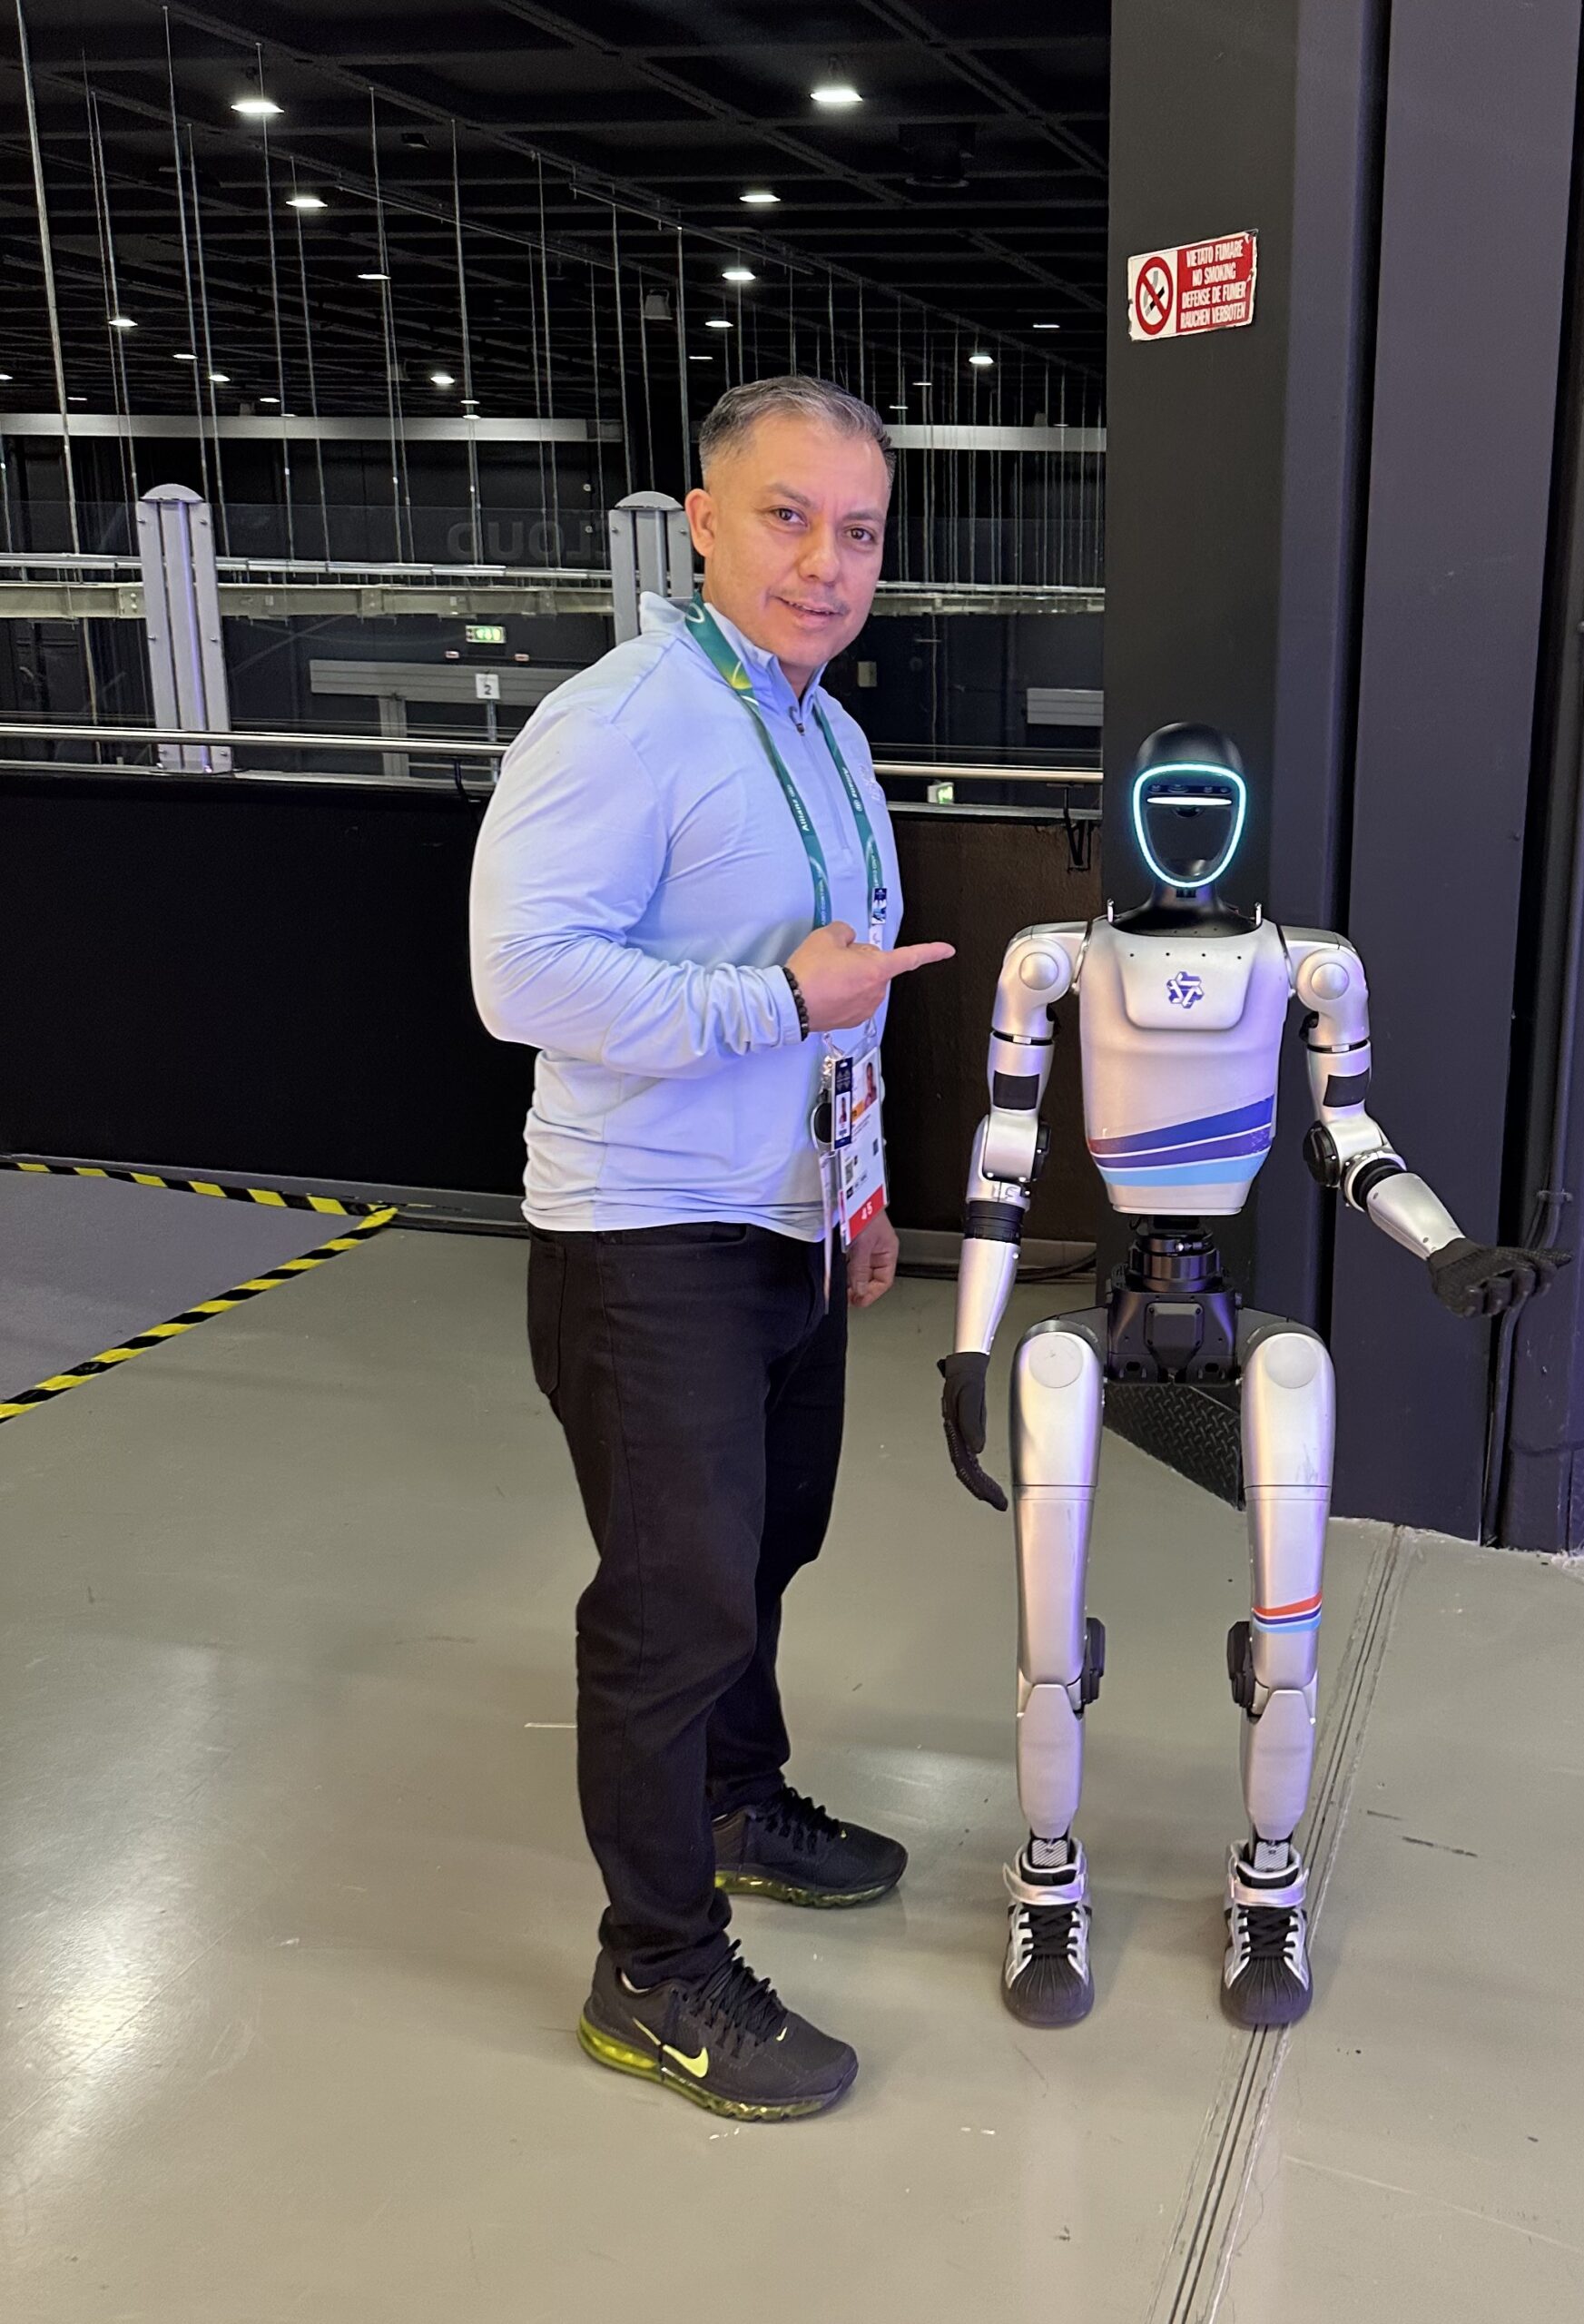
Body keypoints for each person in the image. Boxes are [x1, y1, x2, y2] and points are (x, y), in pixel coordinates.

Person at [470, 375, 952, 2123]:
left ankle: (736, 1802)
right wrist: (771, 1003)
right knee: (671, 1605)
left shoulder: (823, 730)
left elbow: (853, 990)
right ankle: (655, 1968)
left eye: (859, 531)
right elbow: (521, 975)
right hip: (647, 1235)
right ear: (702, 521)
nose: (826, 562)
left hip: (786, 1222)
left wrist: (861, 1186)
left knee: (767, 1548)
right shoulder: (622, 721)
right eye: (788, 516)